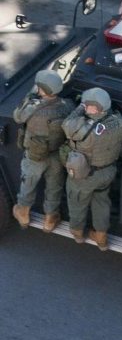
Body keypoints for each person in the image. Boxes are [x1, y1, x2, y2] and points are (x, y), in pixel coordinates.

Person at [62, 88, 122, 251]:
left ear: (92, 107)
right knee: (102, 202)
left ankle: (77, 233)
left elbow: (66, 124)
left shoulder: (83, 128)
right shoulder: (119, 122)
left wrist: (79, 108)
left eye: (87, 104)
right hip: (108, 172)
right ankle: (101, 237)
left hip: (85, 176)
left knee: (77, 202)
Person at [12, 70, 74, 232]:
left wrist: (29, 97)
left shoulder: (32, 108)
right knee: (54, 187)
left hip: (34, 155)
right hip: (56, 154)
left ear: (42, 89)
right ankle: (50, 219)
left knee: (28, 184)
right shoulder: (67, 106)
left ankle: (23, 213)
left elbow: (17, 117)